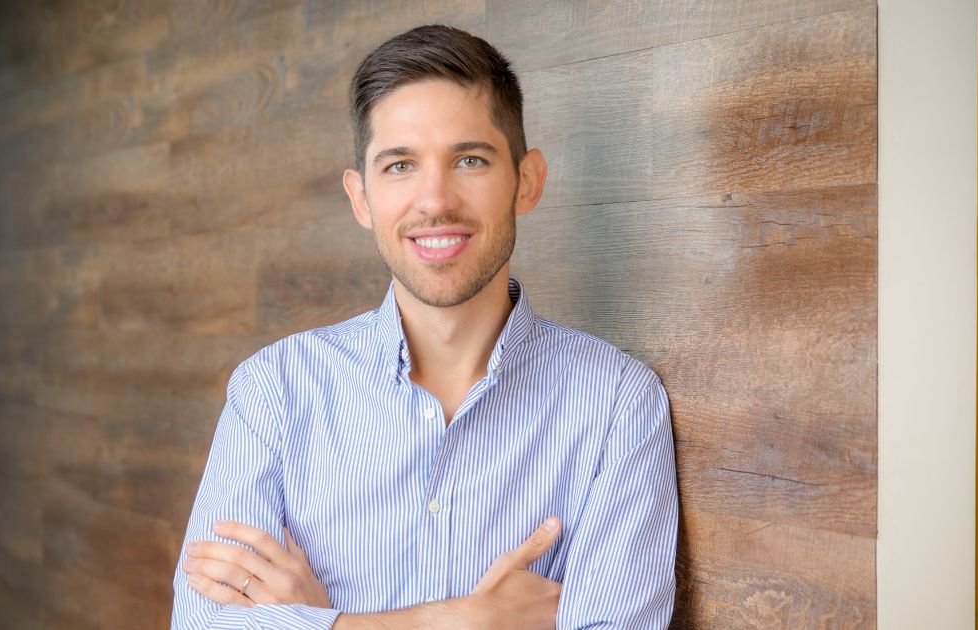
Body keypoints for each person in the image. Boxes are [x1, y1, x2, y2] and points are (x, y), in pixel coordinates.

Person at [171, 24, 678, 629]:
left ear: (528, 180)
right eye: (400, 166)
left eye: (470, 160)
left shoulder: (619, 404)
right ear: (361, 198)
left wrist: (318, 621)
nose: (435, 201)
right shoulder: (275, 388)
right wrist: (460, 622)